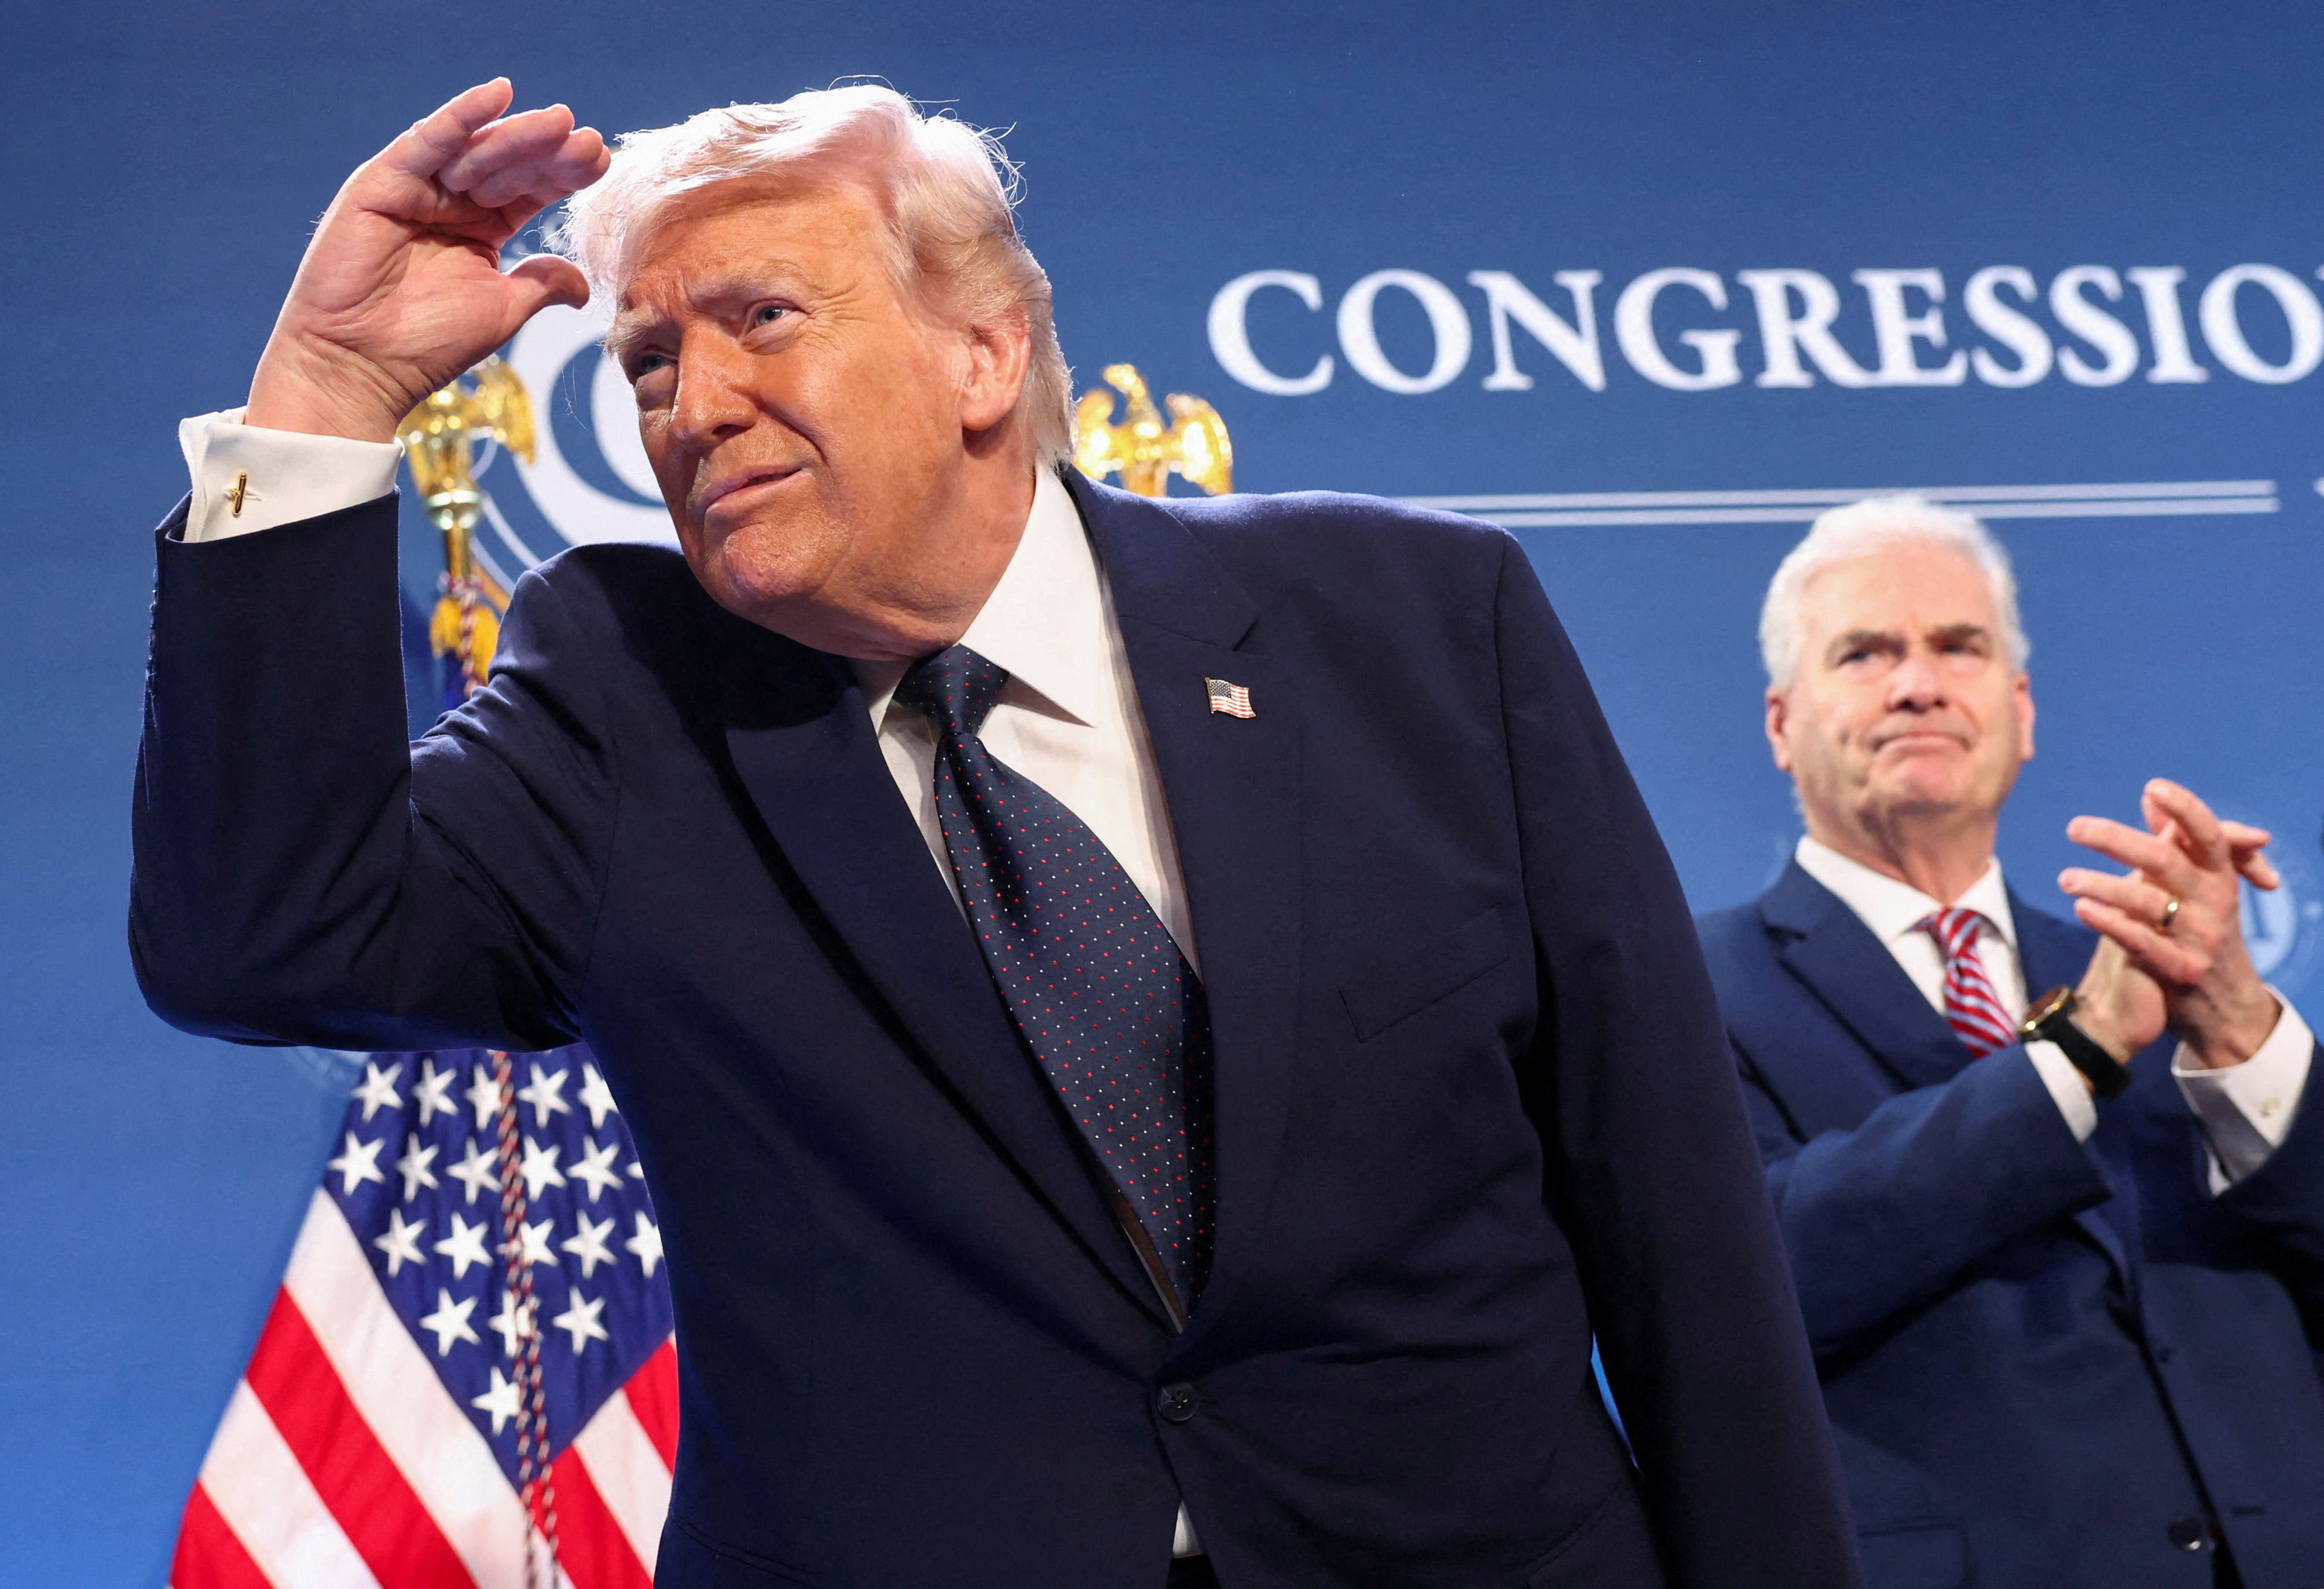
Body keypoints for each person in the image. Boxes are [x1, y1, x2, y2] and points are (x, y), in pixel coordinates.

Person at [131, 82, 1857, 1588]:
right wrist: (328, 394)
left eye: (761, 319)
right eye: (649, 358)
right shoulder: (624, 701)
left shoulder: (1413, 621)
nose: (691, 404)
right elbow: (268, 938)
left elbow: (1672, 1215)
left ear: (984, 349)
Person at [1696, 495, 2324, 1589]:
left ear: (2021, 710)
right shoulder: (1691, 986)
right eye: (1864, 652)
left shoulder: (2154, 964)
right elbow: (1738, 1282)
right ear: (1780, 724)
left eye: (1958, 646)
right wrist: (2074, 1056)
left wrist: (2238, 1028)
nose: (1919, 682)